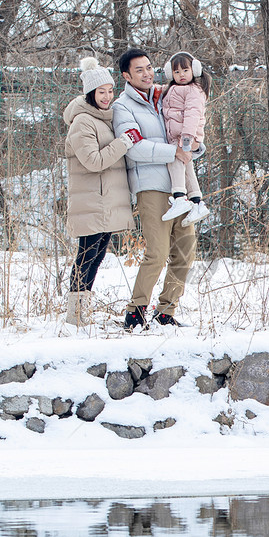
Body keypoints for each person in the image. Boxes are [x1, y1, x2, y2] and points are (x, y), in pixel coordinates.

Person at [112, 48, 202, 330]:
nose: (147, 74)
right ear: (126, 75)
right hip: (151, 186)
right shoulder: (123, 106)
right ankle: (135, 313)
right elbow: (135, 148)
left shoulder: (167, 94)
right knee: (158, 252)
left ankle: (166, 311)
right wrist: (174, 151)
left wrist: (194, 148)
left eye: (149, 67)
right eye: (139, 70)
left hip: (181, 189)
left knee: (185, 250)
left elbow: (188, 129)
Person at [63, 56, 142, 326]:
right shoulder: (82, 122)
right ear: (90, 93)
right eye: (101, 92)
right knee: (86, 256)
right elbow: (93, 161)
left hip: (105, 202)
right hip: (92, 201)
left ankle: (82, 312)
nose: (107, 97)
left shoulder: (104, 118)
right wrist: (124, 142)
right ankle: (75, 316)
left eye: (110, 90)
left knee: (96, 256)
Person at [159, 52, 211, 225]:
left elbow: (192, 115)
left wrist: (187, 138)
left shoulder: (194, 90)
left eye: (185, 70)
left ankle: (180, 196)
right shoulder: (173, 89)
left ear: (194, 70)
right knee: (187, 166)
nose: (181, 75)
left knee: (175, 158)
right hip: (178, 134)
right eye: (177, 72)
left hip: (184, 136)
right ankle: (197, 202)